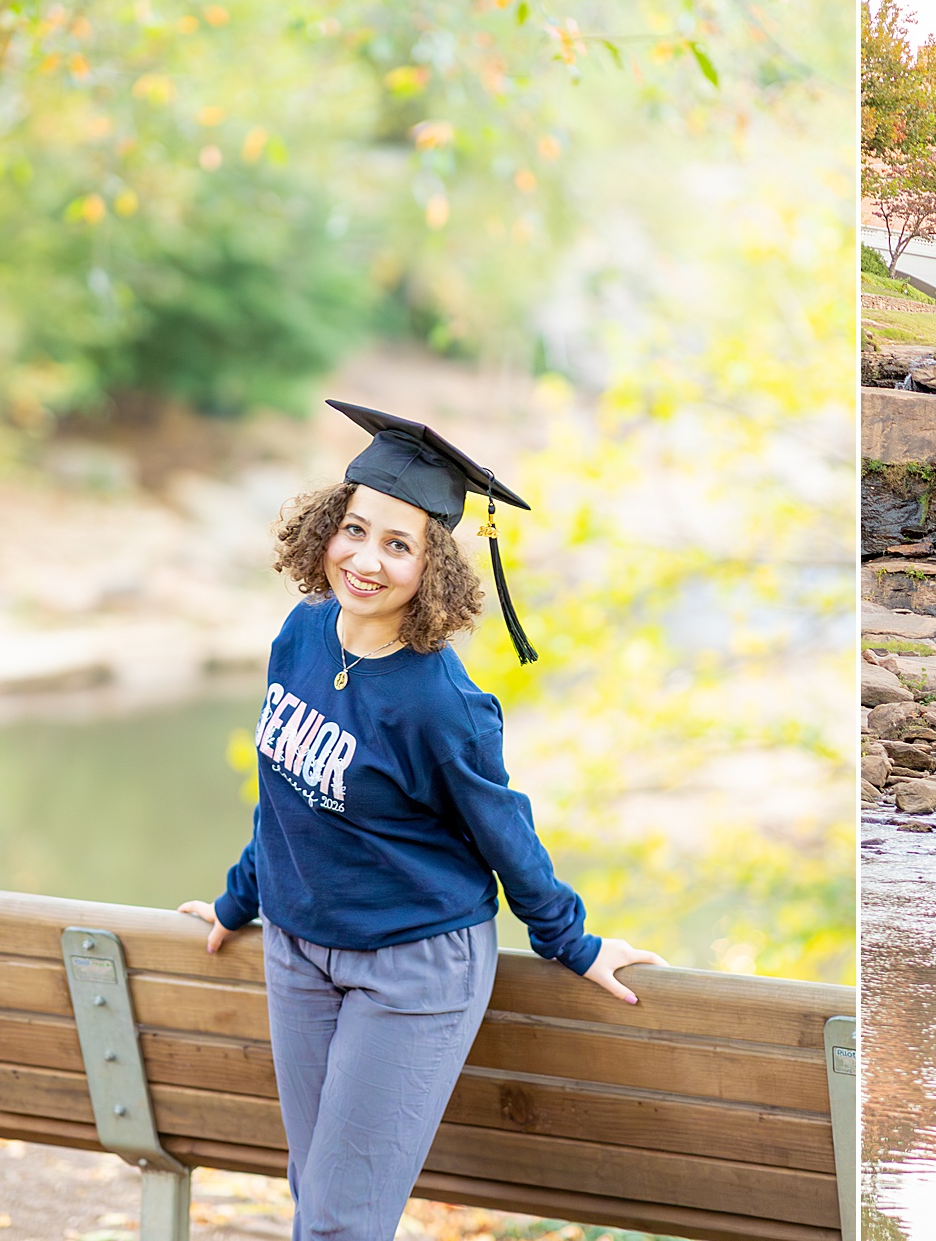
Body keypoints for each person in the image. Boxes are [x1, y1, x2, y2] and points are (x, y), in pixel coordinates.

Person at [179, 401, 663, 1241]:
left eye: (397, 545)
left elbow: (503, 833)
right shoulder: (299, 633)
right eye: (354, 530)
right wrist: (236, 901)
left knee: (336, 1222)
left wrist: (572, 940)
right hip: (297, 946)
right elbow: (283, 796)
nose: (366, 560)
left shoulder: (440, 702)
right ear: (326, 527)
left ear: (432, 564)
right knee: (317, 1197)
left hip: (409, 964)